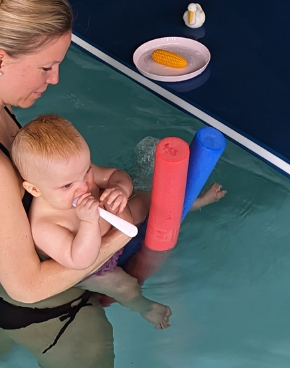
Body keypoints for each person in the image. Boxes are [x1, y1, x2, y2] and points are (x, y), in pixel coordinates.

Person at [0, 0, 130, 368]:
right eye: (46, 66)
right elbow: (26, 288)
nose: (56, 79)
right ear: (0, 61)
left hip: (26, 295)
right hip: (49, 315)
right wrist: (123, 233)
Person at [13, 114, 171, 329]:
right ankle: (143, 307)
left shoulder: (75, 174)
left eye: (87, 171)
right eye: (67, 186)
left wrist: (119, 189)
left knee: (146, 198)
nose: (85, 186)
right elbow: (81, 261)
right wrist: (88, 223)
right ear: (34, 189)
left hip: (115, 223)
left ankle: (184, 201)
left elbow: (115, 174)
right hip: (96, 269)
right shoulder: (45, 224)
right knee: (125, 286)